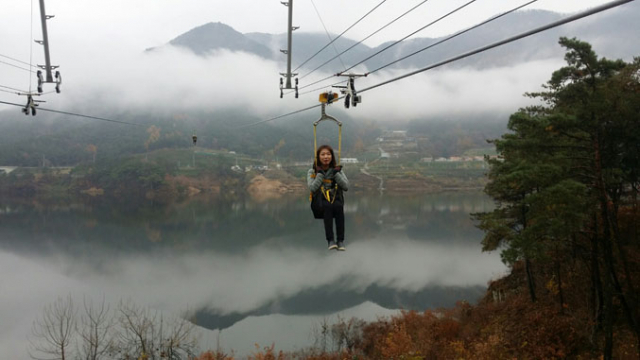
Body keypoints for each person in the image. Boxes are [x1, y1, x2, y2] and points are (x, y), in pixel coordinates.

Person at [307, 145, 349, 251]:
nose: (326, 157)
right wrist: (320, 174)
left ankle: (340, 240)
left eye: (328, 154)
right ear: (318, 157)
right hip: (320, 202)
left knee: (338, 206)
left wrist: (336, 174)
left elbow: (346, 186)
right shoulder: (312, 172)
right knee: (328, 206)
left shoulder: (337, 170)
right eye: (323, 154)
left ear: (332, 156)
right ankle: (330, 240)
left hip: (335, 199)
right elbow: (312, 188)